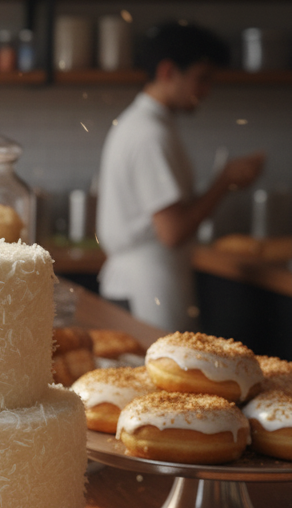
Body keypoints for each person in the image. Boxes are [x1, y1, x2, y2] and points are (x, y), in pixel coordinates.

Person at [96, 21, 265, 330]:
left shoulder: (145, 125)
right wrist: (224, 182)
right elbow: (172, 231)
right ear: (168, 71)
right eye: (202, 78)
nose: (206, 91)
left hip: (146, 279)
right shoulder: (150, 134)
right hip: (148, 286)